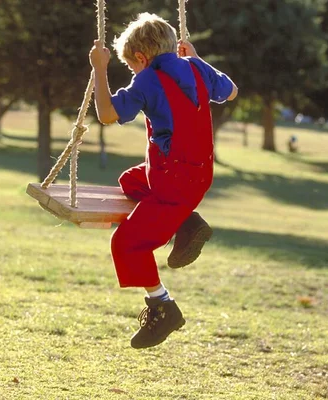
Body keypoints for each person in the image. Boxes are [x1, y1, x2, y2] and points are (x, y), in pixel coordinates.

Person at [89, 13, 238, 349]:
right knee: (130, 182)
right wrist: (199, 59)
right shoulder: (197, 69)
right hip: (198, 175)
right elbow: (231, 92)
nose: (134, 73)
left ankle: (163, 306)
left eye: (131, 67)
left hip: (172, 183)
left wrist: (99, 68)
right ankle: (187, 222)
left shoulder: (148, 80)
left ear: (141, 58)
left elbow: (108, 114)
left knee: (126, 244)